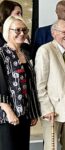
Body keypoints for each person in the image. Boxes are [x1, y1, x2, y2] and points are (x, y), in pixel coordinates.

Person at [35, 19, 65, 150]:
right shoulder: (45, 50)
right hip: (52, 110)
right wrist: (46, 108)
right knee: (51, 147)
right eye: (64, 32)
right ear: (54, 33)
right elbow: (40, 84)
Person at [0, 16, 40, 150]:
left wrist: (33, 112)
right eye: (17, 30)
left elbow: (31, 84)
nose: (22, 33)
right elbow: (1, 85)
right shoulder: (1, 54)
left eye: (24, 30)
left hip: (25, 113)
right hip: (7, 116)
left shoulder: (26, 53)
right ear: (8, 31)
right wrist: (9, 111)